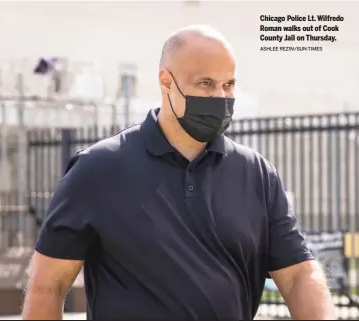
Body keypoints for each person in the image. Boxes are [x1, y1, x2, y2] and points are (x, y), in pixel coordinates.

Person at [22, 25, 336, 320]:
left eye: (228, 85)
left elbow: (298, 276)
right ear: (166, 81)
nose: (221, 98)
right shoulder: (98, 169)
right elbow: (47, 285)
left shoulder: (255, 174)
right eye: (206, 84)